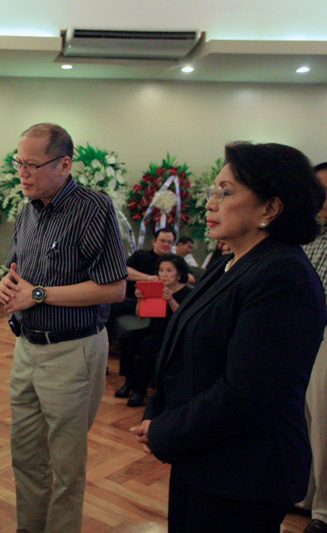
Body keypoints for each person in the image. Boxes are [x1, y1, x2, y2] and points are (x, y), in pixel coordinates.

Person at [130, 142, 327, 532]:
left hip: (244, 471)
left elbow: (247, 392)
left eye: (226, 192)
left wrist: (168, 430)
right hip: (203, 455)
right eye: (213, 191)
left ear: (270, 208)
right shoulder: (229, 261)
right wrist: (158, 412)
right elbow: (184, 348)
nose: (211, 203)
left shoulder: (282, 275)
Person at [0, 123, 127, 532]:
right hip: (27, 348)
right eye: (20, 163)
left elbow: (114, 287)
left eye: (33, 164)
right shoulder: (26, 210)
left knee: (66, 467)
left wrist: (37, 295)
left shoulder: (93, 208)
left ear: (64, 164)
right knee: (25, 456)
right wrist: (8, 284)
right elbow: (23, 274)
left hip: (73, 351)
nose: (23, 173)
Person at [115, 254, 192, 407]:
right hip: (154, 328)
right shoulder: (157, 288)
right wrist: (140, 299)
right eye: (161, 270)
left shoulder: (187, 293)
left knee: (147, 344)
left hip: (171, 334)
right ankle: (128, 381)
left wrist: (170, 300)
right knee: (127, 338)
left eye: (169, 270)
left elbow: (184, 318)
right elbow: (141, 315)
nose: (164, 274)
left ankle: (140, 390)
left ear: (179, 274)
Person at [300, 162, 327, 533]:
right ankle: (305, 495)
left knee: (322, 422)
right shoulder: (309, 234)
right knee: (302, 417)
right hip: (302, 335)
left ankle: (324, 511)